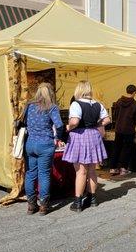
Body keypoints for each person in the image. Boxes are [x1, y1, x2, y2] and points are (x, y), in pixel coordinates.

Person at [64, 80, 111, 212]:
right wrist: (96, 124)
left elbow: (75, 120)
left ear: (79, 90)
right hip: (93, 136)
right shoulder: (97, 104)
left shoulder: (76, 103)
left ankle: (78, 202)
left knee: (81, 171)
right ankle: (92, 198)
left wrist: (69, 127)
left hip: (80, 136)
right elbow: (107, 119)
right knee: (91, 170)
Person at [24, 83, 64, 215]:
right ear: (50, 93)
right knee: (44, 174)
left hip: (30, 143)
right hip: (45, 144)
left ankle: (31, 205)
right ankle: (44, 206)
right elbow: (59, 125)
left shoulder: (29, 106)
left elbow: (23, 122)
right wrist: (58, 137)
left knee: (30, 174)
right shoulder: (51, 107)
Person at [109, 85, 136, 176]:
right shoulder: (135, 104)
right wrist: (133, 125)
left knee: (116, 147)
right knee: (126, 149)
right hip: (129, 129)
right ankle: (123, 168)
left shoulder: (118, 102)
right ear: (134, 92)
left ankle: (113, 168)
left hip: (118, 128)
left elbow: (115, 115)